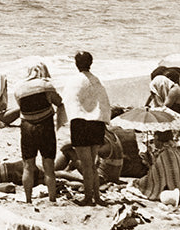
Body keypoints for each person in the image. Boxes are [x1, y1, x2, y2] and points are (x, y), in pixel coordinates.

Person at [58, 51, 111, 206]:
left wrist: (60, 122)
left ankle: (89, 197)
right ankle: (97, 197)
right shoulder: (97, 81)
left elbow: (66, 102)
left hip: (81, 124)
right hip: (96, 124)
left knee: (86, 165)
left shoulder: (73, 81)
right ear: (91, 63)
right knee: (92, 164)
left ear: (76, 64)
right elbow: (104, 104)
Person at [12, 61, 64, 204]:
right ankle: (52, 199)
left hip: (27, 127)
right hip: (45, 126)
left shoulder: (18, 88)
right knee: (49, 166)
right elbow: (58, 101)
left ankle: (28, 199)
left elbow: (21, 107)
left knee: (28, 166)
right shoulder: (46, 85)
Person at [131, 131, 180, 202]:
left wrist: (138, 182)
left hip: (169, 189)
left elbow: (155, 176)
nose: (154, 141)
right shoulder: (175, 151)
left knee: (138, 184)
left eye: (155, 139)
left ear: (159, 141)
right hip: (179, 186)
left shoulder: (165, 154)